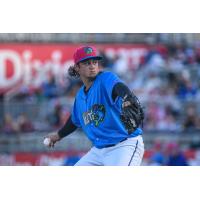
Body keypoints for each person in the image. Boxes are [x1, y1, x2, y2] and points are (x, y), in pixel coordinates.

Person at [45, 46, 145, 166]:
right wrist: (58, 135)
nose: (92, 66)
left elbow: (118, 87)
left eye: (95, 62)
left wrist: (126, 96)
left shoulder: (105, 79)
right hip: (98, 151)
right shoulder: (80, 97)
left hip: (124, 145)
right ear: (77, 67)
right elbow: (74, 121)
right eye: (87, 63)